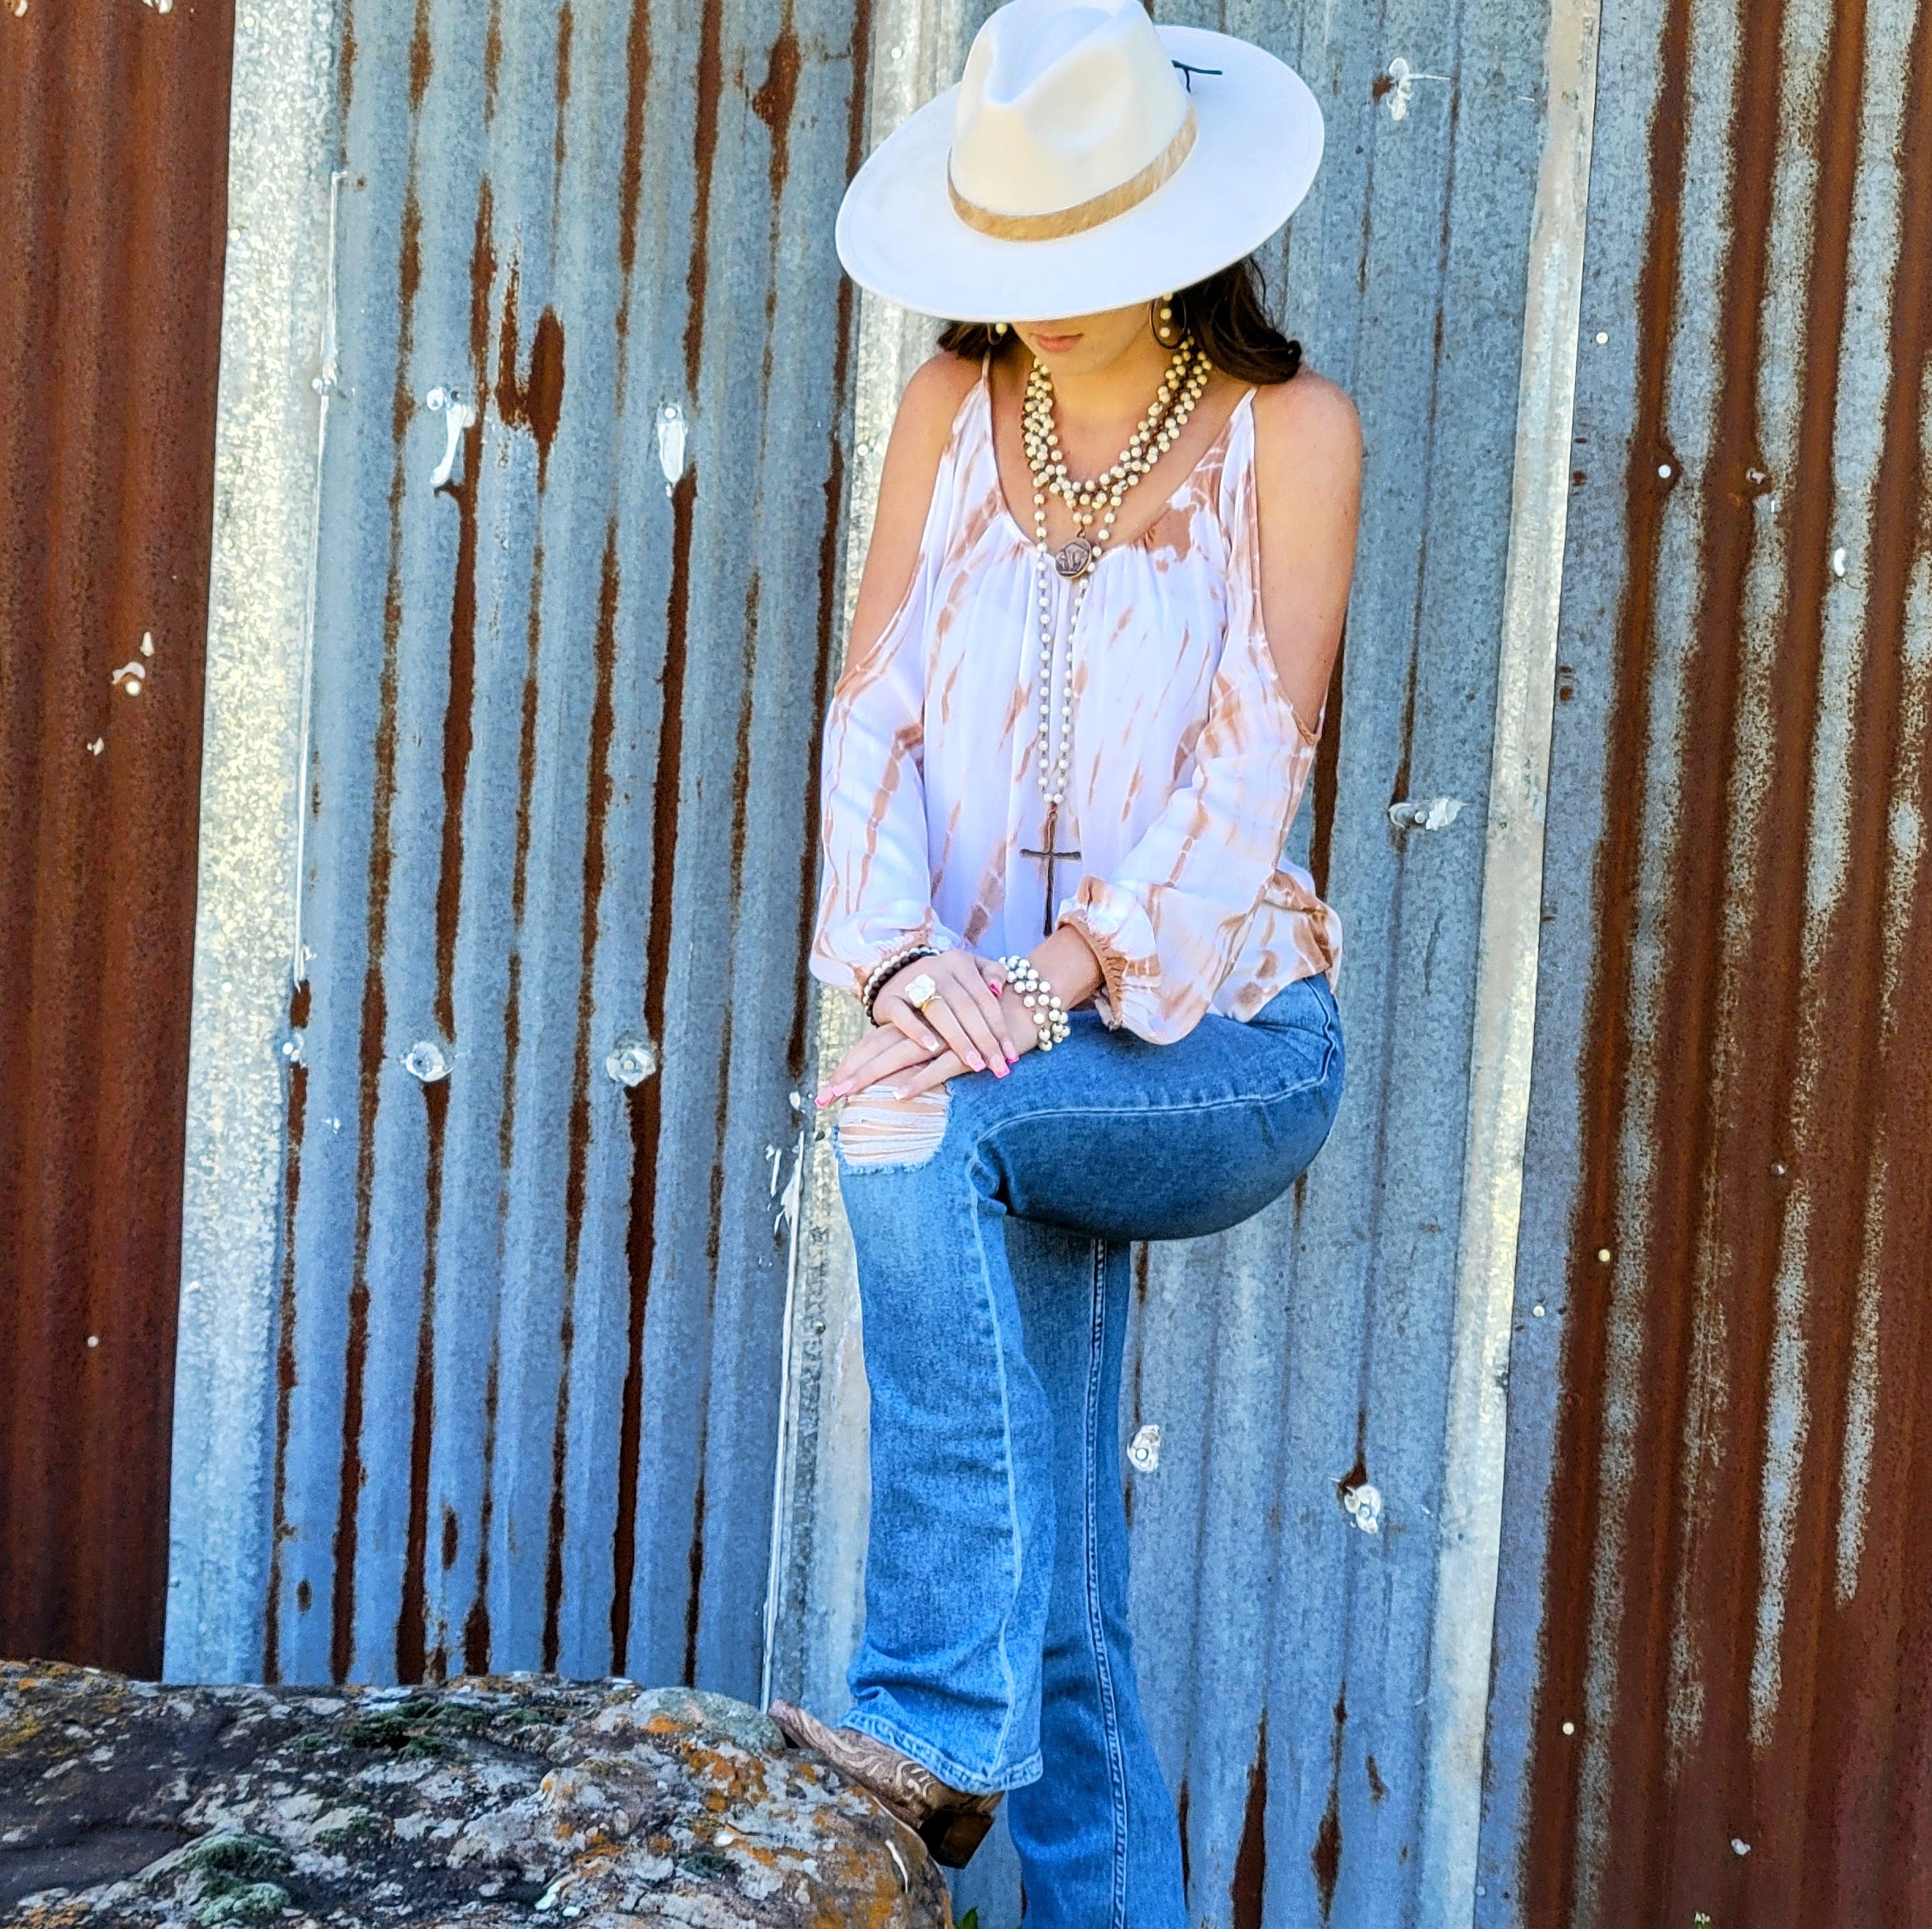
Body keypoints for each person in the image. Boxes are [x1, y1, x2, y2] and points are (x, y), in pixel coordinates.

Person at [768, 1, 1360, 1920]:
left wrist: (1049, 984)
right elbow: (874, 717)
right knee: (1072, 1591)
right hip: (1002, 1048)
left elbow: (1252, 763)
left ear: (1183, 235)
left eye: (1080, 258)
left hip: (1225, 1040)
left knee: (907, 1126)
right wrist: (897, 966)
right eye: (1008, 257)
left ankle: (937, 1714)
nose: (1037, 304)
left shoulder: (1290, 435)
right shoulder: (952, 413)